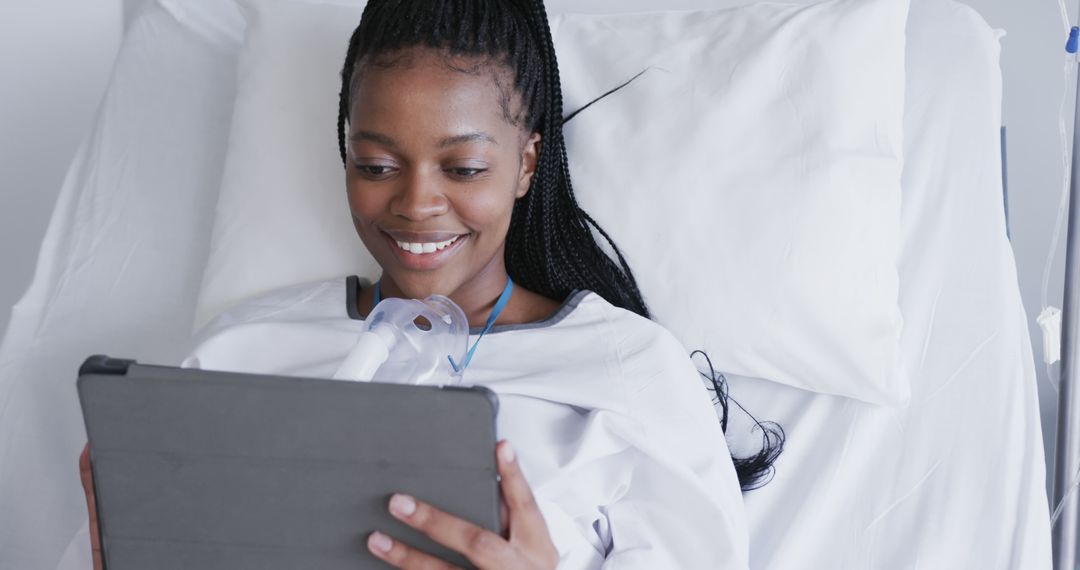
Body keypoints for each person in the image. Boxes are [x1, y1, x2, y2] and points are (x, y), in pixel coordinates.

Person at [81, 0, 781, 567]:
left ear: (527, 164)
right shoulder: (240, 352)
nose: (416, 204)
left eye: (464, 168)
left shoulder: (627, 374)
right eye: (377, 165)